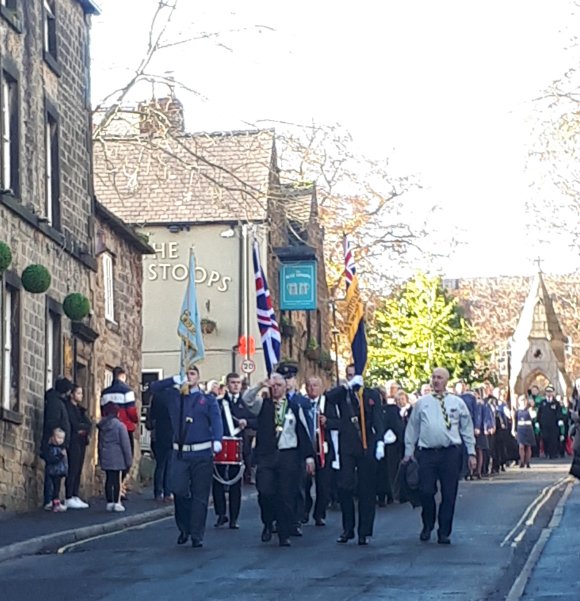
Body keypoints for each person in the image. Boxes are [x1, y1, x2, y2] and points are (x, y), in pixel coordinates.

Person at [149, 366, 223, 548]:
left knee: (200, 496)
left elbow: (216, 420)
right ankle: (184, 527)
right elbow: (153, 388)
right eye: (186, 374)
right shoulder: (174, 397)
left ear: (198, 377)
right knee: (179, 491)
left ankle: (197, 534)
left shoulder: (207, 400)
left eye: (192, 374)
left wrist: (218, 439)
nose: (189, 377)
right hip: (180, 453)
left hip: (202, 453)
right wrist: (174, 379)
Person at [404, 367, 476, 545]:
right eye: (433, 377)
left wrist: (471, 452)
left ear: (446, 381)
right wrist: (408, 451)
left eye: (439, 378)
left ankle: (444, 531)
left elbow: (467, 428)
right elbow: (412, 428)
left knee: (449, 493)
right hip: (427, 453)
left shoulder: (457, 403)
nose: (436, 381)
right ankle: (428, 523)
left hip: (450, 452)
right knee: (426, 491)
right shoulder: (422, 403)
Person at [242, 372, 315, 547]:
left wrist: (309, 457)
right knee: (265, 492)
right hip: (267, 455)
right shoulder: (263, 405)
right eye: (273, 386)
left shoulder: (294, 407)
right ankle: (268, 522)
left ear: (285, 387)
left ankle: (284, 532)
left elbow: (303, 432)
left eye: (279, 385)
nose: (276, 389)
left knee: (286, 495)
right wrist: (261, 384)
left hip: (288, 455)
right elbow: (247, 399)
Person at [324, 364, 385, 545]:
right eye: (349, 375)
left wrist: (380, 441)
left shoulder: (371, 394)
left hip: (367, 445)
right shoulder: (343, 393)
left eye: (354, 375)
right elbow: (328, 398)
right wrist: (347, 386)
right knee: (345, 487)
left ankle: (364, 531)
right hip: (347, 445)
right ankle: (347, 529)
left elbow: (378, 419)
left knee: (367, 489)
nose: (352, 378)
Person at [212, 372, 257, 529]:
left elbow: (257, 420)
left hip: (238, 447)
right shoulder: (218, 403)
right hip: (221, 445)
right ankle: (221, 514)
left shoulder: (244, 404)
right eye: (233, 382)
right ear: (227, 385)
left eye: (238, 382)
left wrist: (247, 421)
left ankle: (234, 518)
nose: (236, 385)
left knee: (235, 484)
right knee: (217, 480)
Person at [100, 366, 139, 495]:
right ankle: (120, 487)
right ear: (122, 376)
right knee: (127, 457)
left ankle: (114, 489)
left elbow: (102, 411)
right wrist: (135, 420)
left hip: (107, 428)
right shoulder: (127, 391)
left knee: (109, 460)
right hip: (125, 427)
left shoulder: (105, 392)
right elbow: (131, 411)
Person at [302, 375, 333, 526]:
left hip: (324, 447)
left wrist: (328, 422)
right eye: (309, 385)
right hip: (307, 446)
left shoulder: (328, 403)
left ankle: (319, 514)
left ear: (321, 388)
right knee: (304, 482)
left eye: (315, 385)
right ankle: (304, 509)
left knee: (324, 484)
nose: (312, 388)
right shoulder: (302, 404)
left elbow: (339, 423)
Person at [42, 377, 73, 510]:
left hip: (58, 443)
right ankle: (51, 500)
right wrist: (60, 442)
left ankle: (53, 500)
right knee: (54, 473)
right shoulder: (55, 402)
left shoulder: (57, 401)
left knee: (57, 473)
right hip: (55, 445)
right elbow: (53, 422)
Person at [98, 402, 133, 512]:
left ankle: (109, 502)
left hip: (106, 455)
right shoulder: (120, 426)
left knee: (108, 479)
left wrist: (100, 456)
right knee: (117, 481)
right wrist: (129, 460)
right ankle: (117, 502)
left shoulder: (102, 426)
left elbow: (100, 443)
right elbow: (125, 444)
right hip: (118, 457)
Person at [64, 384, 92, 509]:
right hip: (73, 441)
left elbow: (88, 424)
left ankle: (75, 494)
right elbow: (74, 425)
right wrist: (81, 428)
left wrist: (83, 428)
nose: (81, 395)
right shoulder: (68, 408)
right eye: (78, 393)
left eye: (81, 393)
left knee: (78, 469)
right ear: (72, 394)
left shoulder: (80, 409)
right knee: (73, 468)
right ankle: (68, 496)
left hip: (81, 441)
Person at [376, 383, 404, 506]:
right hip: (376, 445)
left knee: (390, 471)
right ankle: (381, 495)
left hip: (391, 446)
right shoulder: (370, 410)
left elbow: (399, 427)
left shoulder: (391, 409)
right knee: (379, 472)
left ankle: (391, 494)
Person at [145, 383, 174, 502]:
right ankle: (167, 492)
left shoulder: (155, 399)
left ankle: (158, 492)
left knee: (160, 465)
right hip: (171, 436)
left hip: (157, 436)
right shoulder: (172, 399)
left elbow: (150, 421)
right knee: (169, 465)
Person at [41, 427, 69, 512]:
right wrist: (60, 455)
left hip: (59, 472)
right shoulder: (51, 448)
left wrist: (64, 471)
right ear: (52, 437)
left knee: (57, 488)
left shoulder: (61, 448)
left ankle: (56, 503)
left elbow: (64, 462)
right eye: (58, 438)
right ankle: (50, 502)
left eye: (62, 438)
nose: (60, 440)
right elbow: (52, 460)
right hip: (52, 471)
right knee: (51, 488)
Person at [538, 386, 563, 459]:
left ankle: (553, 454)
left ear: (553, 393)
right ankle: (546, 452)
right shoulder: (542, 402)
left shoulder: (556, 403)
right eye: (547, 392)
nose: (549, 393)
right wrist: (538, 421)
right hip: (544, 424)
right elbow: (539, 413)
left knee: (553, 439)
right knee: (545, 438)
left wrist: (560, 420)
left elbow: (559, 412)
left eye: (550, 392)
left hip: (553, 425)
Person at [515, 395, 536, 468]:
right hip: (520, 428)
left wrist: (532, 408)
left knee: (528, 446)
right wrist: (514, 430)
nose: (523, 402)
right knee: (521, 446)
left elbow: (534, 416)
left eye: (524, 400)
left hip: (528, 428)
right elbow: (515, 420)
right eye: (521, 400)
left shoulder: (529, 409)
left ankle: (528, 461)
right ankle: (522, 461)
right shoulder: (517, 411)